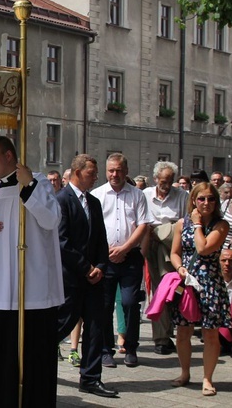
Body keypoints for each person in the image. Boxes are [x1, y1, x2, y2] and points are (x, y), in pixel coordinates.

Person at [0, 135, 63, 407]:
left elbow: (51, 219)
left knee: (29, 356)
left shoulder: (38, 181)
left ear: (10, 156)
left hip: (30, 287)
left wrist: (29, 186)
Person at [56, 154, 116, 398]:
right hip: (71, 277)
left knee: (95, 328)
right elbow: (61, 241)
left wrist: (101, 265)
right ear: (77, 172)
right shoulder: (62, 201)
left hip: (94, 279)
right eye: (91, 173)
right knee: (62, 324)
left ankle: (91, 378)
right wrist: (85, 267)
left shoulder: (94, 202)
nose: (95, 177)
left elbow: (101, 238)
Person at [170, 182, 230, 396]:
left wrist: (197, 225)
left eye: (211, 199)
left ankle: (207, 378)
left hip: (210, 284)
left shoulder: (221, 225)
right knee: (183, 331)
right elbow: (175, 252)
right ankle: (185, 372)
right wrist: (179, 267)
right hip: (188, 284)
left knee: (210, 334)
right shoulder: (181, 223)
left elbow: (203, 248)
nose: (206, 203)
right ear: (193, 200)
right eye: (201, 198)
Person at [92, 153, 151, 368]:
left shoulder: (137, 195)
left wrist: (125, 248)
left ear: (126, 172)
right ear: (105, 172)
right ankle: (106, 349)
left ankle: (131, 347)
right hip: (105, 257)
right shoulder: (97, 194)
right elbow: (94, 226)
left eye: (118, 170)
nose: (114, 174)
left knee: (129, 302)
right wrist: (105, 250)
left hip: (130, 256)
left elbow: (143, 224)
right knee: (105, 305)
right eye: (111, 170)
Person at [142, 161, 188, 355]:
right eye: (163, 181)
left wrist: (165, 230)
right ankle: (161, 337)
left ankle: (170, 332)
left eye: (170, 181)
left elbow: (186, 223)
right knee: (160, 290)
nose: (166, 185)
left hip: (173, 245)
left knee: (174, 291)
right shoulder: (145, 195)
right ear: (155, 179)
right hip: (152, 246)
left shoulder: (182, 197)